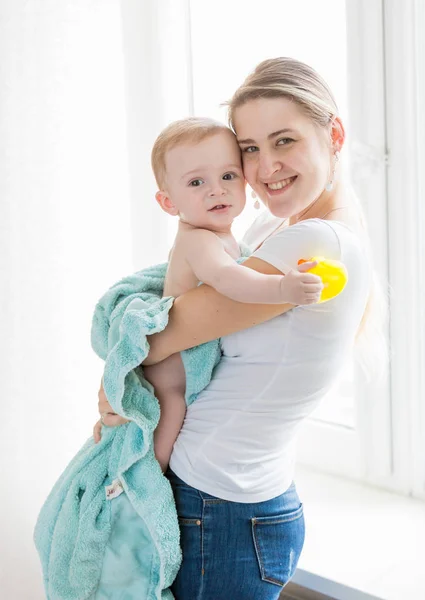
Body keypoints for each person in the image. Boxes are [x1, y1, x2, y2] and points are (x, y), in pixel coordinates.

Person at [93, 57, 375, 599]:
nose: (265, 166)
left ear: (333, 135)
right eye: (249, 148)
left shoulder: (314, 244)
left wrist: (120, 382)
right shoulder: (277, 226)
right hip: (229, 497)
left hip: (219, 507)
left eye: (284, 141)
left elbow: (151, 338)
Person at [140, 117, 323, 471]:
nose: (217, 190)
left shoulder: (224, 234)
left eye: (228, 176)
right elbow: (230, 279)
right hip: (172, 365)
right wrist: (283, 287)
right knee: (172, 406)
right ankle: (150, 473)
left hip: (191, 348)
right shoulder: (199, 240)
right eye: (196, 182)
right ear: (168, 202)